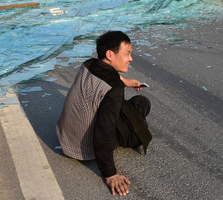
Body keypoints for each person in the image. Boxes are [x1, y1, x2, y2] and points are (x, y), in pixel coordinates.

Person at [56, 31, 152, 196]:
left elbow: (107, 74)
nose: (131, 58)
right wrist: (110, 173)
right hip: (85, 147)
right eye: (127, 53)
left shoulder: (89, 64)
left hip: (65, 137)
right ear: (110, 54)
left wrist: (125, 82)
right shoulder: (114, 88)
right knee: (142, 104)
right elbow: (104, 130)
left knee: (121, 106)